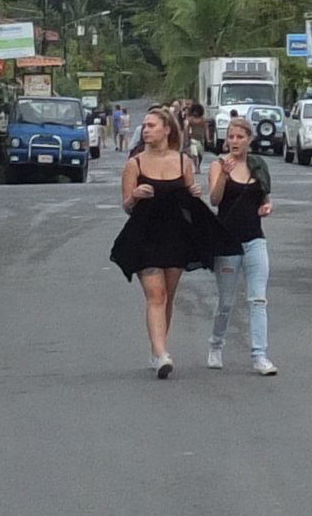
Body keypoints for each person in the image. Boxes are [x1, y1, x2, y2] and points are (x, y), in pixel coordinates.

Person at [107, 104, 211, 376]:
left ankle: (158, 348)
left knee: (168, 296)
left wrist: (194, 193)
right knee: (156, 295)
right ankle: (161, 353)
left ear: (167, 130)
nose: (146, 129)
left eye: (152, 125)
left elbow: (189, 201)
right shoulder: (135, 163)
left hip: (176, 236)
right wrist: (136, 195)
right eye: (145, 125)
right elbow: (127, 206)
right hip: (145, 236)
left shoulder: (182, 161)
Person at [198, 107, 274, 375]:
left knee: (258, 299)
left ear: (249, 139)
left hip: (255, 240)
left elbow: (264, 198)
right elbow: (215, 199)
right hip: (228, 243)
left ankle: (259, 355)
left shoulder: (258, 166)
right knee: (226, 302)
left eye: (240, 137)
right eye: (231, 137)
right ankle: (216, 345)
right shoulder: (219, 164)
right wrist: (225, 176)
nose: (235, 141)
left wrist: (267, 207)